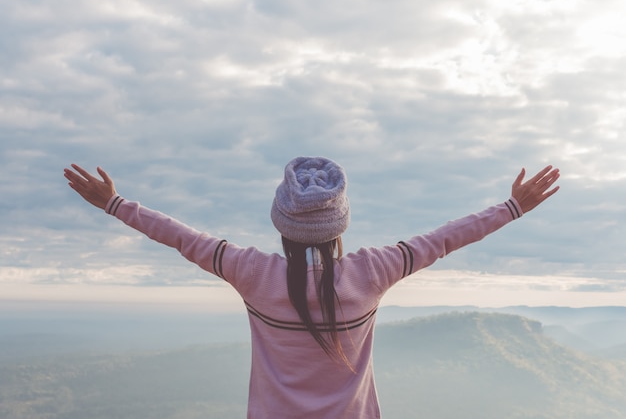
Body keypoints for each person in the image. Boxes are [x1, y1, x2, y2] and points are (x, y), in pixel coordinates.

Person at [64, 157, 560, 419]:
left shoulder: (251, 273)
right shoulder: (374, 272)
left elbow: (181, 237)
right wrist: (511, 207)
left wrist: (114, 204)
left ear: (282, 226)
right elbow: (445, 239)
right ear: (340, 227)